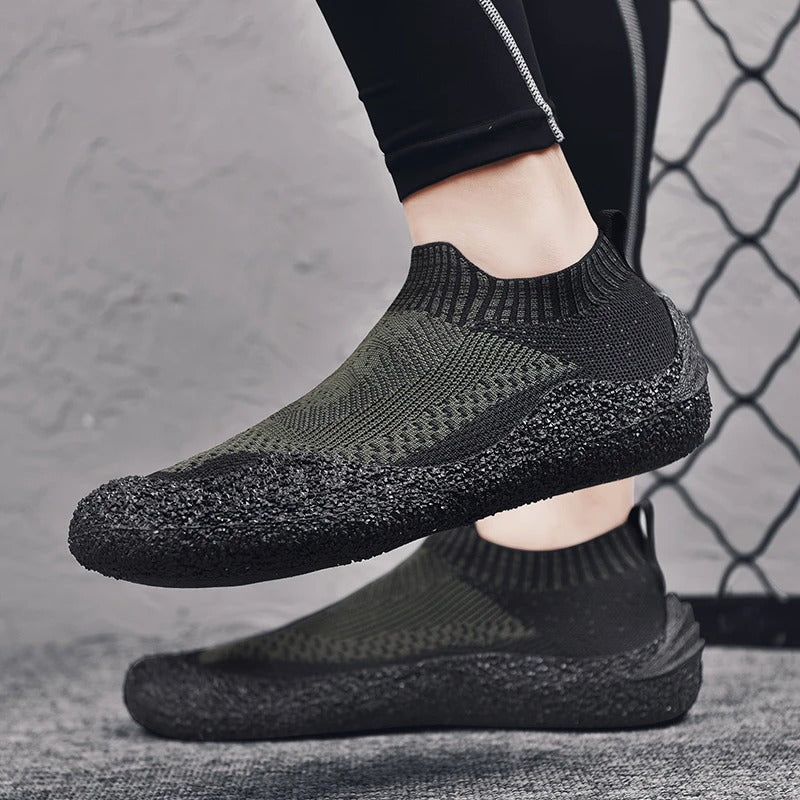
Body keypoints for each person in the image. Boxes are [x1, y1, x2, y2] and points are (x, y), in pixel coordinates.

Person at [70, 0, 711, 738]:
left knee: (532, 269)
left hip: (536, 323)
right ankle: (562, 542)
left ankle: (522, 277)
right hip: (577, 572)